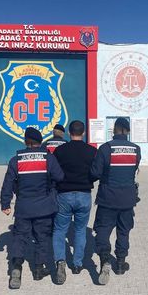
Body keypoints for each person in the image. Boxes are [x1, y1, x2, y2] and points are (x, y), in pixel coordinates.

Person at [0, 127, 64, 289]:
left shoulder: (16, 160)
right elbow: (60, 176)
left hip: (23, 207)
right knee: (42, 238)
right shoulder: (48, 158)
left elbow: (7, 183)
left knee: (20, 237)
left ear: (26, 142)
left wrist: (5, 204)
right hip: (44, 207)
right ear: (40, 141)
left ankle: (16, 269)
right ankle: (38, 269)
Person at [91, 117, 141, 285]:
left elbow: (96, 173)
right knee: (124, 231)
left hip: (107, 198)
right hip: (127, 198)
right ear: (127, 131)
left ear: (114, 130)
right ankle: (120, 263)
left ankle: (105, 259)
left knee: (103, 230)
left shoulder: (105, 148)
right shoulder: (136, 149)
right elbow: (133, 170)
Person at [51, 120, 98, 284]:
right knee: (79, 230)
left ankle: (60, 261)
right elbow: (96, 172)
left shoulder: (60, 150)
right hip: (84, 195)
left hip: (64, 195)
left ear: (69, 133)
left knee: (59, 230)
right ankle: (77, 264)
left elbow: (54, 172)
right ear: (83, 133)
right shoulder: (92, 151)